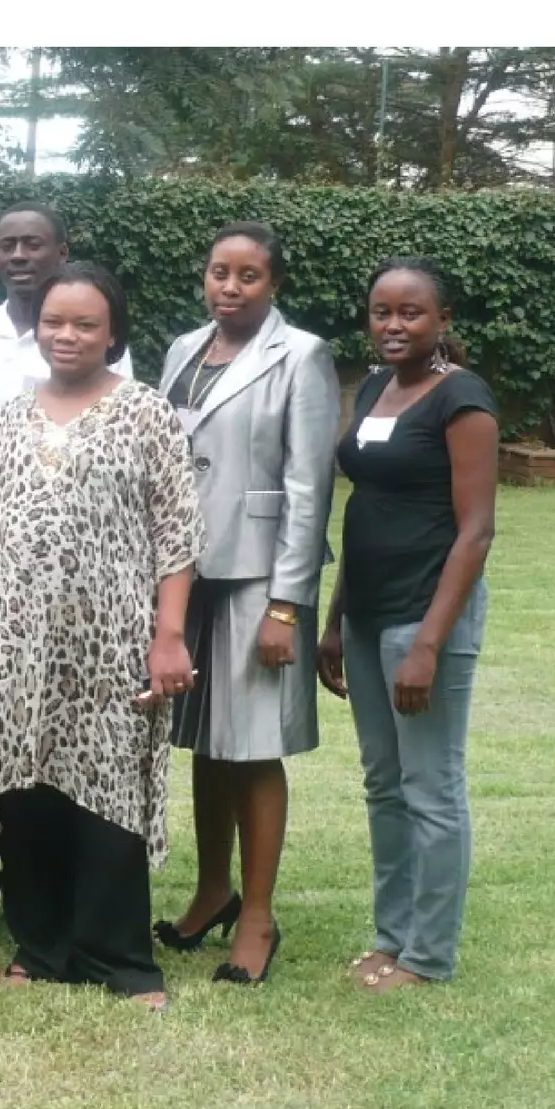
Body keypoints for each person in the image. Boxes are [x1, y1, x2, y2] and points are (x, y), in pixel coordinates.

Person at [0, 262, 203, 1010]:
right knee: (25, 787)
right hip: (16, 640)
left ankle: (121, 960)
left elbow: (178, 535)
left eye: (85, 323)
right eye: (55, 321)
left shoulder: (147, 413)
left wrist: (170, 635)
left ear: (112, 333)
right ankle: (42, 944)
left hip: (113, 642)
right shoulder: (8, 418)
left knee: (108, 789)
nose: (67, 335)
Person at [153, 223, 341, 985]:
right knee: (205, 738)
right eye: (218, 272)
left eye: (248, 276)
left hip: (262, 574)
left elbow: (309, 487)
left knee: (254, 745)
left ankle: (258, 917)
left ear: (274, 285)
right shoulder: (181, 350)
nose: (230, 287)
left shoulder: (302, 356)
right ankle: (212, 891)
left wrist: (289, 605)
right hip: (188, 572)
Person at [318, 258, 497, 993]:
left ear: (443, 321)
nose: (394, 325)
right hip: (365, 616)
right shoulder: (375, 390)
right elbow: (364, 510)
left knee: (431, 785)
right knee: (383, 784)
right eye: (382, 312)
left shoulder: (464, 399)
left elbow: (477, 531)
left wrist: (427, 643)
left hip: (425, 619)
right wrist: (335, 620)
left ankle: (428, 956)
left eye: (412, 313)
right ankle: (393, 935)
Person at [0, 203, 132, 408]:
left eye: (33, 245)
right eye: (7, 246)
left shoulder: (93, 341)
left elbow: (120, 411)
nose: (18, 255)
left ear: (62, 253)